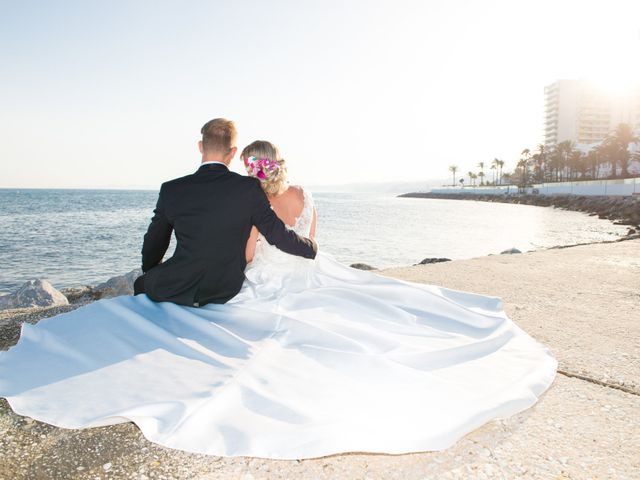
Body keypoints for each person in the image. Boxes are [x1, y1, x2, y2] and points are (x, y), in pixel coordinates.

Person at [0, 135, 557, 460]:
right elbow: (312, 241)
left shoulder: (252, 200)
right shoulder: (304, 193)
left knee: (246, 319)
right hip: (310, 271)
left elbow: (249, 256)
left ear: (250, 166)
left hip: (270, 281)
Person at [133, 118, 317, 307]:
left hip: (178, 284)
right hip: (225, 287)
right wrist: (310, 248)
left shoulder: (171, 189)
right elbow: (277, 233)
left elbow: (155, 243)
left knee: (141, 284)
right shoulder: (250, 188)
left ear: (200, 146)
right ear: (233, 152)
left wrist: (151, 269)